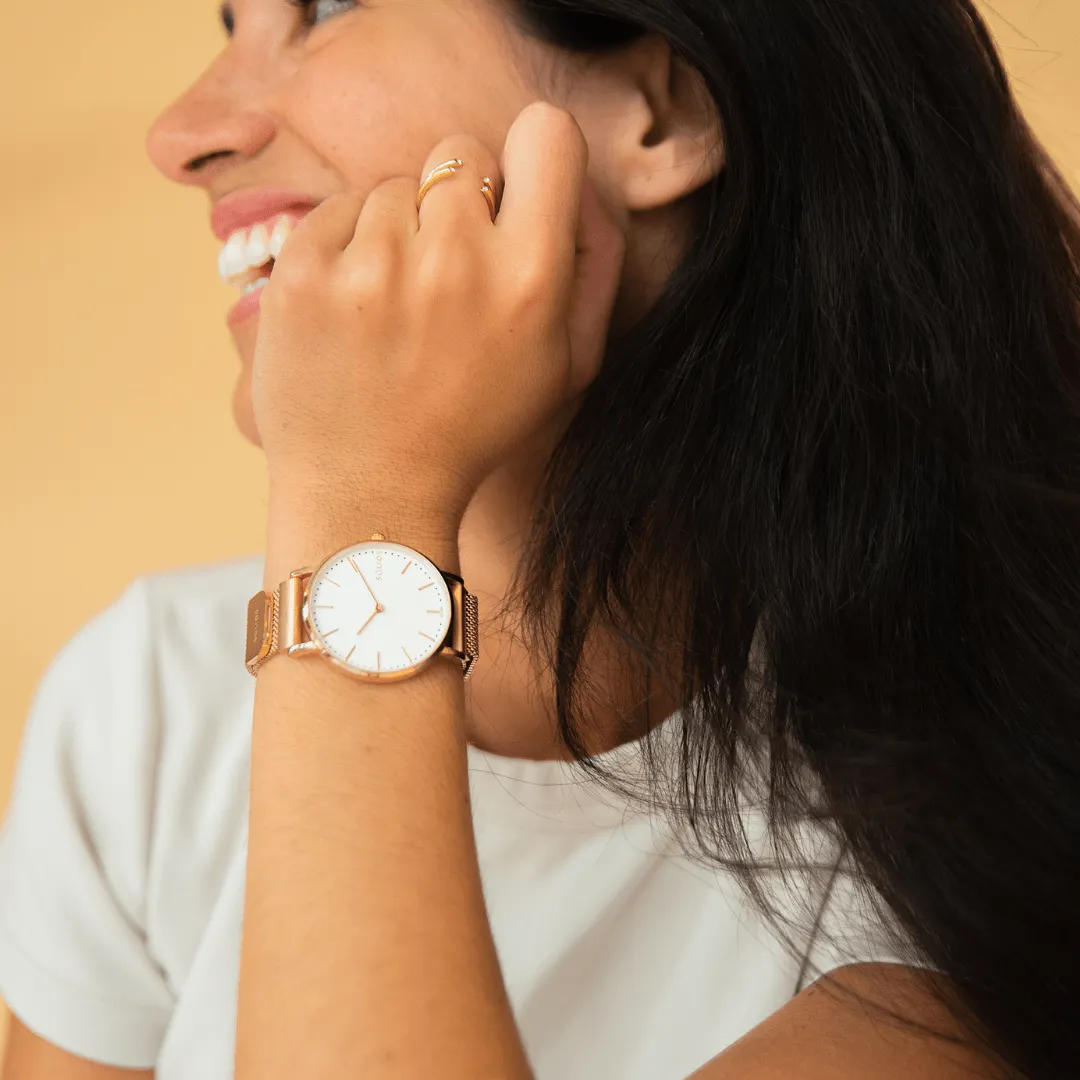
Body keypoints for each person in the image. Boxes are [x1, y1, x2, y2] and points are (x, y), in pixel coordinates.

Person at [1, 0, 1077, 1077]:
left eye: (325, 7)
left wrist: (358, 502)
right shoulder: (145, 705)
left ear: (665, 109)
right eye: (227, 26)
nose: (183, 134)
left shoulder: (964, 872)